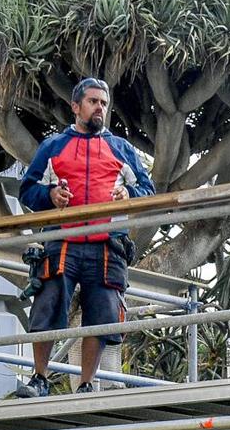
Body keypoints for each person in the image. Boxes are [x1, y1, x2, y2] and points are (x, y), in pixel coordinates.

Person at [10, 77, 155, 397]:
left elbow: (148, 190)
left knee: (102, 313)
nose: (100, 108)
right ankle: (39, 378)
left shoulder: (121, 149)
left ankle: (87, 383)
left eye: (104, 103)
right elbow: (27, 191)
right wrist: (51, 195)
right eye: (93, 101)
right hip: (63, 239)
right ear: (76, 106)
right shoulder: (54, 146)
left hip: (107, 242)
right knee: (47, 306)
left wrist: (128, 193)